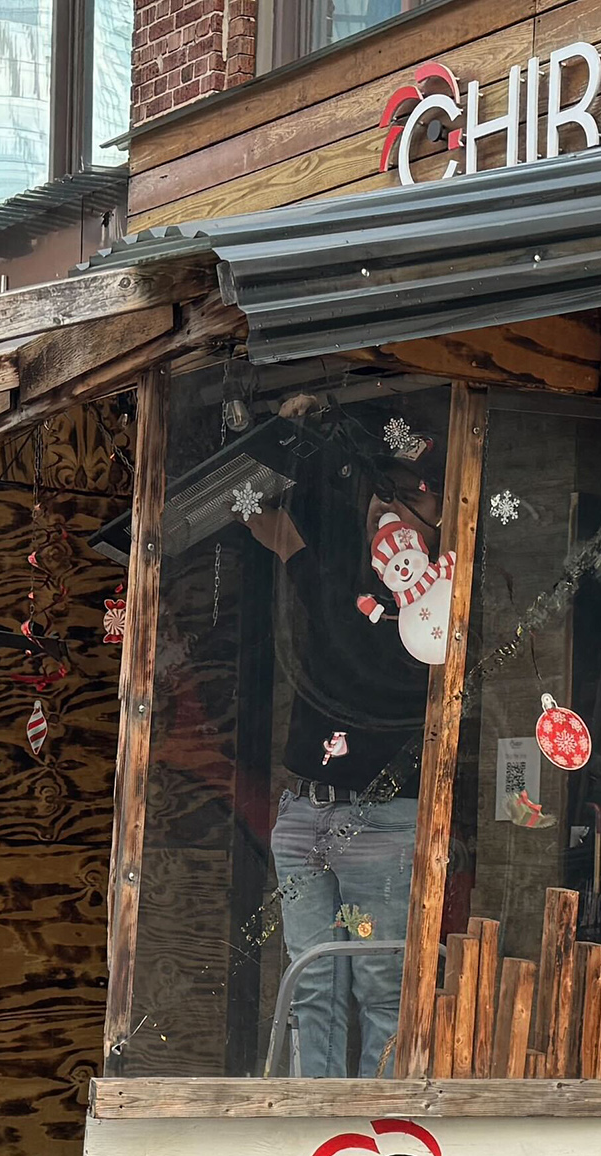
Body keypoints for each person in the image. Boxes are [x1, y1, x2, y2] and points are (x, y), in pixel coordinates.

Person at [244, 396, 438, 1077]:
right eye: (383, 498)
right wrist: (302, 416)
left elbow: (361, 645)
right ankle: (312, 1127)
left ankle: (375, 1133)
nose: (390, 519)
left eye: (411, 503)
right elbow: (274, 506)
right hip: (307, 809)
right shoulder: (346, 555)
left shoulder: (432, 605)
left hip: (381, 813)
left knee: (377, 984)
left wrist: (294, 554)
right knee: (311, 983)